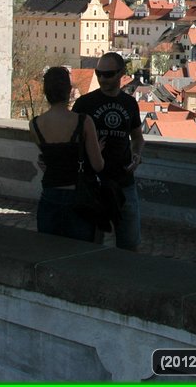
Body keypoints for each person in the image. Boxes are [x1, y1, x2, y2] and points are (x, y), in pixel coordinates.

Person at [71, 52, 144, 250]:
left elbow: (137, 138)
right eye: (99, 73)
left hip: (123, 181)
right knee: (89, 245)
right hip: (92, 182)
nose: (102, 78)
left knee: (129, 244)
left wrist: (136, 156)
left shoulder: (129, 104)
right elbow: (70, 140)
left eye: (108, 74)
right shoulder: (84, 104)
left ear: (121, 73)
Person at [32, 66, 104, 240]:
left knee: (50, 251)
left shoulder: (35, 124)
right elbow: (98, 165)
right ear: (69, 91)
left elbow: (52, 160)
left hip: (49, 194)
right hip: (78, 196)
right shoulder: (83, 121)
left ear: (45, 91)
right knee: (78, 254)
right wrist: (95, 150)